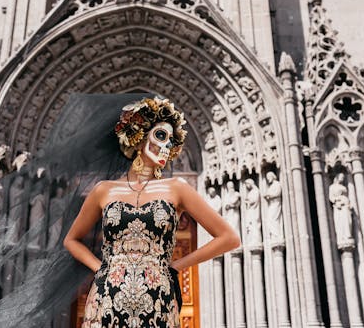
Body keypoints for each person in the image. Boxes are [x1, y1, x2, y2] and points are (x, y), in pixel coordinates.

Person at [63, 96, 241, 327]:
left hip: (158, 298)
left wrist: (176, 266)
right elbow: (71, 240)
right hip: (107, 298)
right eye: (160, 136)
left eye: (171, 141)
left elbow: (229, 238)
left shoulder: (177, 188)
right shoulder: (103, 190)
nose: (167, 146)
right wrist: (101, 268)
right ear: (138, 136)